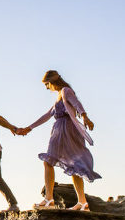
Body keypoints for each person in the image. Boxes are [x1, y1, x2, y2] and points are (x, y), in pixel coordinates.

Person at [16, 70, 101, 211]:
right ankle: (82, 202)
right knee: (74, 166)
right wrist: (29, 128)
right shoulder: (59, 95)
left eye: (46, 84)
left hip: (65, 129)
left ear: (52, 82)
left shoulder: (66, 91)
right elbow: (47, 115)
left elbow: (77, 104)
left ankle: (49, 199)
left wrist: (85, 117)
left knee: (49, 162)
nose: (46, 88)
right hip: (62, 129)